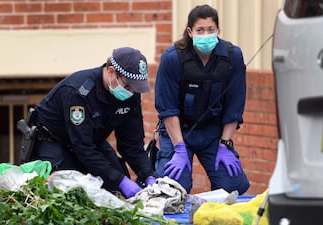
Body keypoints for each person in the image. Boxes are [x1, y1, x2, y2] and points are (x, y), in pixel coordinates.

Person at [27, 47, 155, 199]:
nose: (132, 92)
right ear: (111, 71)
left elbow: (131, 145)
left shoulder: (130, 94)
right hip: (54, 142)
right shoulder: (79, 92)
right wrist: (120, 181)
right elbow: (83, 147)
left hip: (92, 142)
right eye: (128, 86)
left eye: (136, 88)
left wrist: (148, 175)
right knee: (68, 193)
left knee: (116, 184)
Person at [154, 4, 250, 195]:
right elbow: (168, 109)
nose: (206, 34)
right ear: (190, 32)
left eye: (210, 30)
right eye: (200, 30)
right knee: (172, 186)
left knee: (232, 185)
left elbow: (234, 106)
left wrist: (225, 144)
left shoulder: (233, 57)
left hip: (213, 132)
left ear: (218, 30)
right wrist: (179, 149)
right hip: (178, 132)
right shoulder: (172, 58)